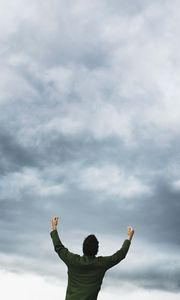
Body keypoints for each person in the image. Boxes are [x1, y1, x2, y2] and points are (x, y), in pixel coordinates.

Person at [50, 216, 134, 300]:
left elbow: (59, 248)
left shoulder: (73, 261)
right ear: (97, 249)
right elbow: (119, 255)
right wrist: (129, 238)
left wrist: (54, 227)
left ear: (83, 247)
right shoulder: (101, 264)